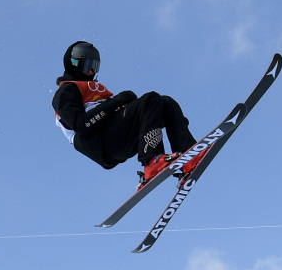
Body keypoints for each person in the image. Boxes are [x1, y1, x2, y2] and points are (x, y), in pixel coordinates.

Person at [52, 41, 198, 186]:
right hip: (99, 143)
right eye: (86, 65)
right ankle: (152, 161)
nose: (91, 71)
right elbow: (80, 125)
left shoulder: (91, 88)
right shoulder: (66, 91)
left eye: (94, 66)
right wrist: (115, 102)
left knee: (166, 103)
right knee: (150, 100)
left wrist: (128, 107)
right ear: (73, 64)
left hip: (114, 138)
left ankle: (189, 154)